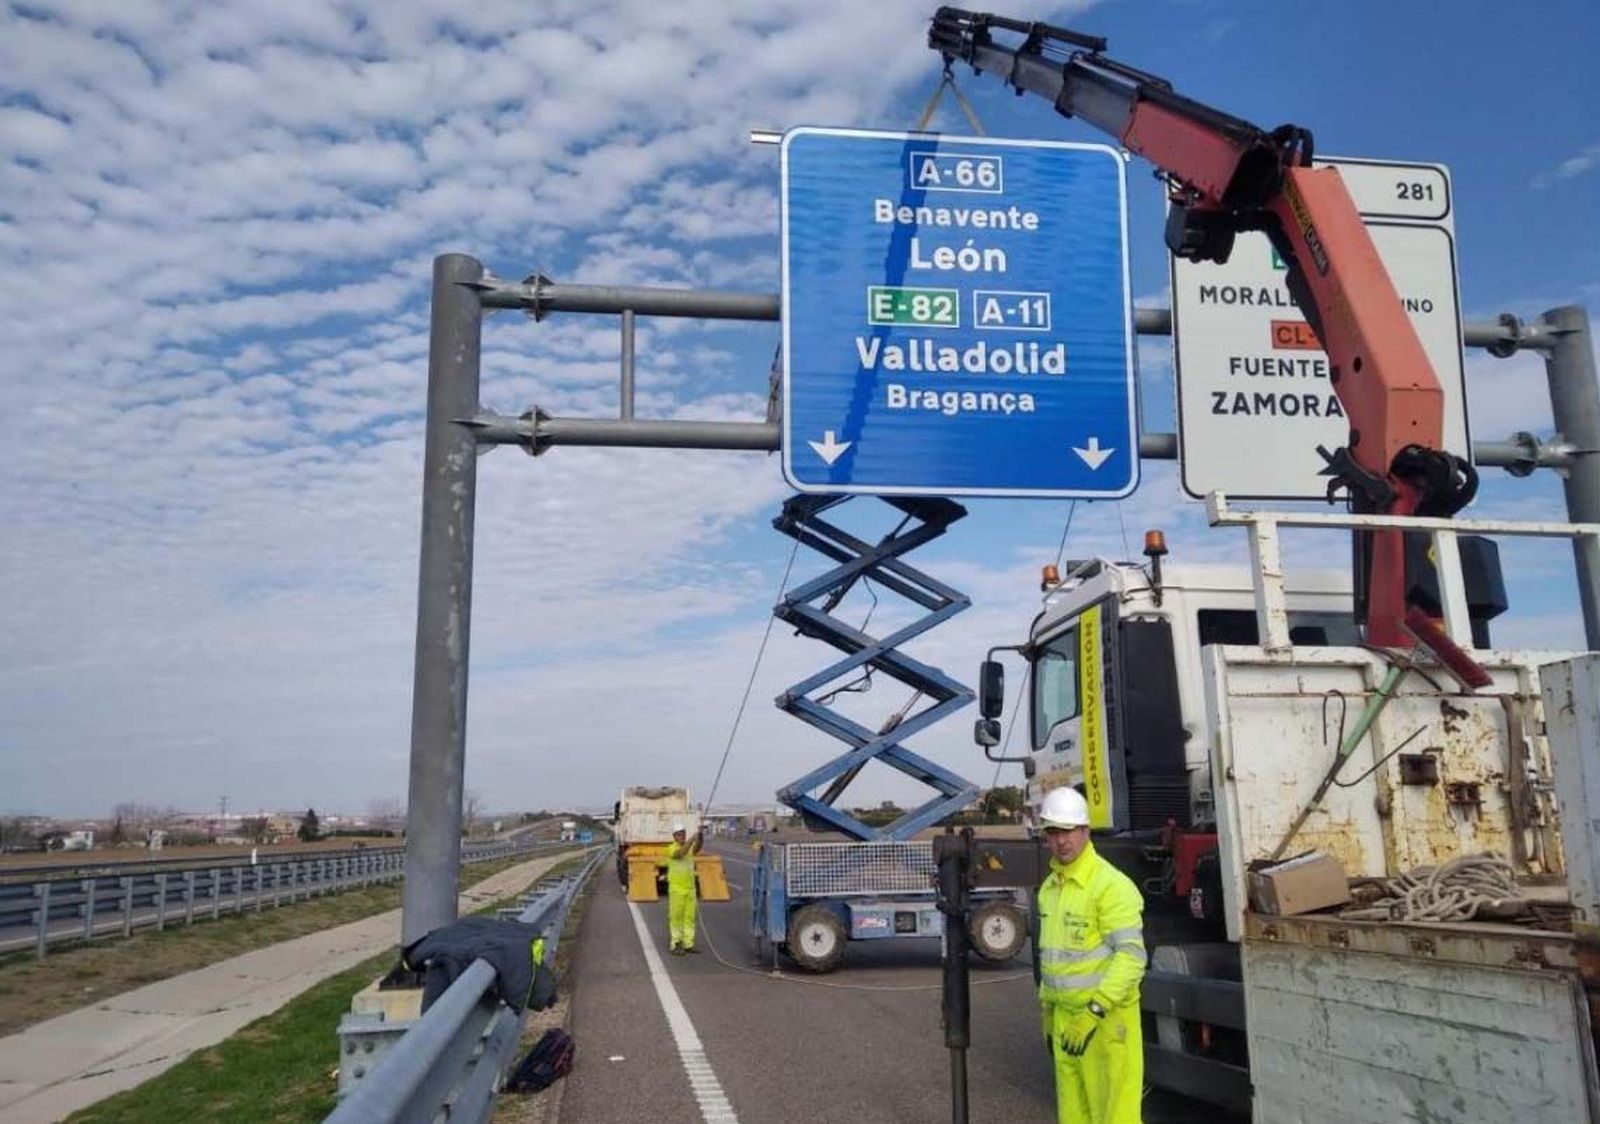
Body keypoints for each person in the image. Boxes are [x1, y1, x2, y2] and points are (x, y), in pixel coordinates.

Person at [1035, 786, 1147, 1124]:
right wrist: (1048, 1010)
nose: (1062, 841)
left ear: (1085, 831)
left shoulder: (1111, 886)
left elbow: (1131, 958)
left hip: (1106, 1023)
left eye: (1068, 831)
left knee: (1114, 1118)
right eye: (1053, 832)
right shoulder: (1050, 889)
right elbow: (1051, 958)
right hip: (1067, 1022)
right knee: (1073, 1116)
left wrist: (1094, 1011)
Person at [666, 821, 704, 955]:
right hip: (676, 889)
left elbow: (697, 848)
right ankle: (676, 943)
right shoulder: (671, 848)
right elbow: (680, 853)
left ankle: (688, 943)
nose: (681, 836)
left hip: (690, 889)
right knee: (676, 917)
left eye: (683, 834)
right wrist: (691, 839)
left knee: (689, 918)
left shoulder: (690, 850)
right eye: (679, 834)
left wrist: (700, 836)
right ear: (674, 836)